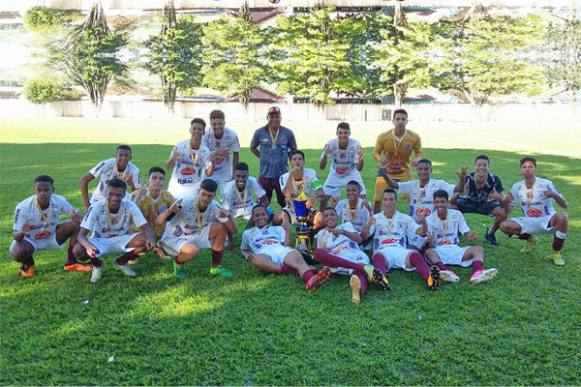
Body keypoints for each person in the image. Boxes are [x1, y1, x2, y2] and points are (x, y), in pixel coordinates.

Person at [74, 178, 156, 283]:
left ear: (123, 195)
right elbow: (81, 235)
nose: (114, 198)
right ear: (105, 193)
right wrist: (88, 246)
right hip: (100, 240)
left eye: (118, 195)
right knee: (78, 250)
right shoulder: (96, 206)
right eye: (111, 194)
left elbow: (146, 228)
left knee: (146, 240)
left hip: (122, 238)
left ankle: (122, 261)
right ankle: (97, 265)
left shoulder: (130, 205)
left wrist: (151, 239)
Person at [157, 179, 237, 279]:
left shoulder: (215, 206)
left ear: (214, 195)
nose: (206, 198)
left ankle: (216, 267)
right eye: (203, 194)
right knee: (193, 251)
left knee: (220, 228)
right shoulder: (184, 201)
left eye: (209, 196)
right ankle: (178, 264)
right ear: (198, 192)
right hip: (175, 236)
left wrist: (228, 216)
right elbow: (159, 221)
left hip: (195, 233)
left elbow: (234, 231)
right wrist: (170, 210)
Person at [10, 175, 87, 277]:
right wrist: (23, 230)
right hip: (31, 241)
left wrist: (78, 217)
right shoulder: (23, 207)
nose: (43, 193)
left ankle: (71, 262)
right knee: (16, 252)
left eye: (46, 190)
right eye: (39, 190)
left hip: (52, 236)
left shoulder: (59, 200)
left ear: (52, 190)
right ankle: (28, 264)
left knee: (75, 224)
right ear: (34, 190)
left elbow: (78, 217)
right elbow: (16, 236)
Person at [241, 205, 331, 291]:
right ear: (252, 218)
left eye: (263, 214)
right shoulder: (247, 233)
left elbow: (287, 247)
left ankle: (311, 279)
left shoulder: (277, 229)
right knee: (256, 259)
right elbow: (244, 249)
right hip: (264, 253)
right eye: (257, 215)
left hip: (280, 249)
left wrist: (287, 228)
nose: (260, 217)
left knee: (295, 255)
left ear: (267, 216)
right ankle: (292, 269)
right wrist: (246, 255)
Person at [380, 159, 463, 250]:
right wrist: (385, 175)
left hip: (431, 225)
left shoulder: (438, 184)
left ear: (430, 170)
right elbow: (395, 185)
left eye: (426, 169)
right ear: (417, 170)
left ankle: (422, 249)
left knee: (416, 247)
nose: (423, 171)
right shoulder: (412, 185)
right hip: (414, 225)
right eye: (420, 169)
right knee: (404, 242)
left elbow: (457, 189)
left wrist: (462, 179)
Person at [500, 157, 569, 266]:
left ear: (535, 169)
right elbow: (508, 209)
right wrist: (504, 201)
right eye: (524, 167)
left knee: (563, 217)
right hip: (529, 220)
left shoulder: (546, 183)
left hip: (548, 219)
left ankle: (556, 253)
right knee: (504, 225)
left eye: (530, 166)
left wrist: (554, 195)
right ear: (521, 170)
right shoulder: (517, 186)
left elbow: (564, 205)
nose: (527, 169)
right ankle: (530, 239)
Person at [314, 207, 389, 304]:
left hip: (354, 254)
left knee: (358, 273)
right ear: (323, 219)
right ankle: (365, 269)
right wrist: (326, 249)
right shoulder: (321, 234)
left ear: (337, 216)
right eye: (326, 216)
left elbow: (359, 240)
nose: (330, 218)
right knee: (318, 253)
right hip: (339, 261)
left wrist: (343, 232)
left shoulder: (346, 225)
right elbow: (320, 255)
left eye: (332, 214)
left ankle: (358, 292)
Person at [370, 189, 440, 290]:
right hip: (382, 251)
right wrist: (368, 225)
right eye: (385, 199)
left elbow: (421, 232)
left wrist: (424, 223)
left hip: (400, 250)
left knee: (415, 255)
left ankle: (431, 279)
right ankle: (382, 280)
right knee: (377, 257)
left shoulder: (404, 218)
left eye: (391, 199)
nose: (388, 202)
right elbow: (364, 236)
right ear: (382, 201)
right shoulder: (375, 218)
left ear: (396, 201)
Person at [425, 190, 498, 284]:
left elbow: (465, 231)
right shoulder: (429, 219)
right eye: (437, 202)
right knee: (428, 252)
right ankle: (445, 271)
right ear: (433, 203)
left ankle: (478, 272)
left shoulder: (457, 214)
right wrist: (430, 242)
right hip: (439, 250)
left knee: (478, 249)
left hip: (455, 249)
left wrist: (469, 235)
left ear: (447, 202)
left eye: (442, 202)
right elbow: (431, 245)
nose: (440, 205)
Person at [372, 109, 422, 213]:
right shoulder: (383, 137)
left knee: (414, 199)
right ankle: (375, 223)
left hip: (404, 173)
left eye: (403, 119)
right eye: (398, 119)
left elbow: (419, 152)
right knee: (377, 200)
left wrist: (418, 159)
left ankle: (415, 221)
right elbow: (375, 152)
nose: (400, 121)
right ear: (393, 121)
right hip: (386, 173)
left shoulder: (414, 137)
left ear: (407, 121)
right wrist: (380, 159)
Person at [452, 155, 507, 246]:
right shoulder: (468, 177)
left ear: (488, 167)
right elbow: (453, 199)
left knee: (503, 213)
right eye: (479, 165)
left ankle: (490, 234)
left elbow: (504, 204)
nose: (481, 167)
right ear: (475, 166)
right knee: (450, 207)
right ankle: (457, 230)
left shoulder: (494, 179)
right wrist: (461, 187)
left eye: (484, 165)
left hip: (486, 204)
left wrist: (498, 197)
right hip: (468, 202)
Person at [250, 106, 297, 208]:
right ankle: (262, 223)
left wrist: (285, 157)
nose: (274, 119)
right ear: (267, 117)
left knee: (286, 203)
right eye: (272, 116)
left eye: (277, 116)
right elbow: (253, 147)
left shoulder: (288, 133)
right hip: (265, 175)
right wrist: (262, 156)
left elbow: (294, 150)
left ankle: (287, 221)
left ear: (280, 118)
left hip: (282, 175)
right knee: (262, 203)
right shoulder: (259, 132)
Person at [131, 166, 174, 258]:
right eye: (154, 178)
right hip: (141, 231)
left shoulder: (167, 196)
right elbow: (128, 214)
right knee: (138, 248)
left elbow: (175, 212)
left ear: (164, 182)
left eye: (161, 179)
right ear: (148, 180)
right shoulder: (136, 194)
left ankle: (158, 245)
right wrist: (138, 198)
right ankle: (148, 247)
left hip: (160, 232)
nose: (157, 181)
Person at [319, 122, 365, 208]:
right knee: (323, 198)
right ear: (336, 133)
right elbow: (322, 167)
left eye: (345, 133)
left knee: (362, 197)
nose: (343, 135)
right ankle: (322, 219)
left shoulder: (355, 145)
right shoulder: (330, 144)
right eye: (340, 133)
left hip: (351, 173)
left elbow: (359, 168)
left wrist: (361, 158)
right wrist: (325, 155)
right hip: (335, 174)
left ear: (349, 133)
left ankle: (361, 217)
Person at [167, 118, 215, 199]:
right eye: (194, 128)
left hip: (195, 184)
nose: (196, 131)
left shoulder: (206, 151)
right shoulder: (180, 146)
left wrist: (213, 163)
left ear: (203, 132)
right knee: (172, 206)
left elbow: (209, 173)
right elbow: (168, 167)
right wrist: (172, 159)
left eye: (200, 129)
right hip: (177, 183)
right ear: (190, 130)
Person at [276, 150, 324, 227]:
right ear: (290, 162)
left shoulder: (311, 173)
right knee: (277, 218)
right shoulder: (284, 177)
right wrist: (291, 174)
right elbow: (287, 195)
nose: (297, 161)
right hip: (291, 210)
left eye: (300, 159)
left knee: (321, 219)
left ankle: (310, 235)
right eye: (294, 159)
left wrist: (314, 195)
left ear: (304, 162)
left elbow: (320, 191)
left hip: (308, 209)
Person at [202, 109, 240, 195]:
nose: (217, 126)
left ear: (224, 123)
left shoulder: (232, 134)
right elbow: (203, 154)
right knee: (204, 194)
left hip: (225, 171)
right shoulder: (205, 134)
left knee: (228, 195)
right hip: (209, 170)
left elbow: (236, 155)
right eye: (214, 124)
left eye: (220, 123)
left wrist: (234, 174)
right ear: (210, 124)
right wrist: (216, 153)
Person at [334, 180, 373, 248]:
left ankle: (362, 244)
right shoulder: (342, 203)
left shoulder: (365, 204)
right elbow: (332, 220)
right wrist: (333, 206)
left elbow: (372, 222)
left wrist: (369, 209)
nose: (350, 193)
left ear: (359, 192)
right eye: (348, 190)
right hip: (346, 232)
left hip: (360, 234)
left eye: (353, 190)